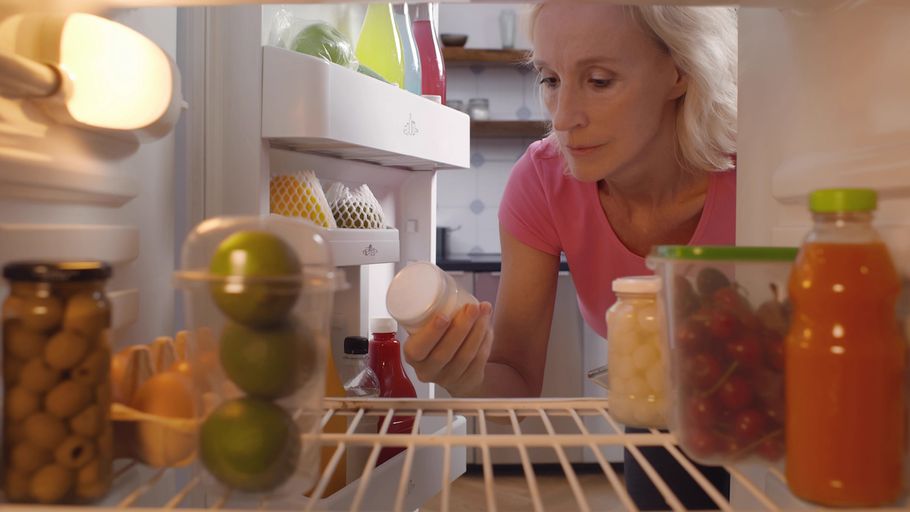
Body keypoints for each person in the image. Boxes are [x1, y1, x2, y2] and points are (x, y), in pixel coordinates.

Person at [403, 3, 737, 509]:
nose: (562, 119)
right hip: (660, 410)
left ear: (680, 70)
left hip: (785, 404)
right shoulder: (543, 181)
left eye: (599, 81)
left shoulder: (755, 169)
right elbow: (515, 382)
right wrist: (466, 376)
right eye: (551, 79)